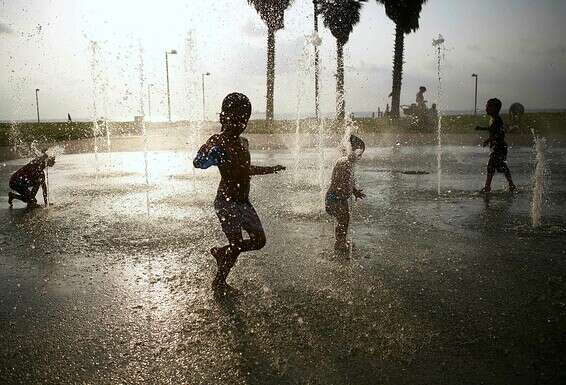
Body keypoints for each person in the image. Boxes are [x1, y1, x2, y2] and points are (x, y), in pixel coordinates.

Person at [193, 92, 286, 293]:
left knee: (259, 241)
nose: (238, 125)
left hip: (243, 202)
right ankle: (219, 282)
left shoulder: (244, 143)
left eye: (243, 121)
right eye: (233, 120)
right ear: (222, 118)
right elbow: (199, 162)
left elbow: (246, 170)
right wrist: (206, 153)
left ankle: (221, 252)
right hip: (226, 202)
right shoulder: (218, 141)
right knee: (236, 244)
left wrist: (270, 169)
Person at [325, 135, 366, 252]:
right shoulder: (344, 163)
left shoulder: (349, 163)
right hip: (335, 198)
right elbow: (337, 182)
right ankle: (339, 243)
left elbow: (348, 182)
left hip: (340, 198)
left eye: (361, 154)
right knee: (342, 220)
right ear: (351, 151)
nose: (360, 156)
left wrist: (354, 191)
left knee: (345, 219)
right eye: (359, 153)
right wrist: (342, 195)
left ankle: (341, 241)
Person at [475, 98, 516, 193]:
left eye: (488, 106)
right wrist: (481, 128)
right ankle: (511, 184)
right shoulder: (493, 119)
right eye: (486, 105)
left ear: (495, 108)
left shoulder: (497, 120)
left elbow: (499, 134)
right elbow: (492, 129)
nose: (486, 108)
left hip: (500, 147)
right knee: (501, 166)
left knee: (491, 166)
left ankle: (487, 187)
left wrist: (488, 140)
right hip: (497, 147)